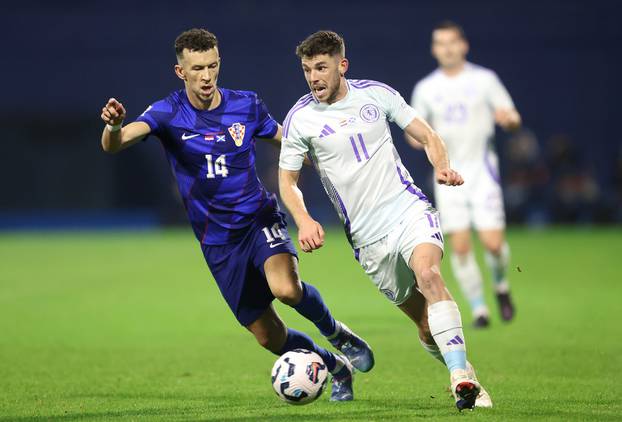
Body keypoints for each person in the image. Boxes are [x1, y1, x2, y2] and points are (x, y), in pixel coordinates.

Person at [99, 28, 374, 402]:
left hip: (258, 218)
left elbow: (289, 141)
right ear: (181, 72)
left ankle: (336, 331)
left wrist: (337, 166)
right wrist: (114, 126)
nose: (207, 76)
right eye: (197, 68)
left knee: (286, 289)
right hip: (217, 241)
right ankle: (335, 365)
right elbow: (116, 144)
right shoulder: (167, 113)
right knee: (269, 337)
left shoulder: (246, 105)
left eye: (213, 66)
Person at [278, 30, 491, 411]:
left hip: (407, 209)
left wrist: (442, 166)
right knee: (425, 326)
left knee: (429, 275)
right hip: (366, 238)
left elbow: (427, 135)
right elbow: (288, 181)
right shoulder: (301, 119)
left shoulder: (377, 95)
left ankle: (458, 377)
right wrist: (304, 218)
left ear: (342, 66)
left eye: (321, 68)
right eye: (308, 70)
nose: (314, 78)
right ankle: (468, 375)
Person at [408, 21, 520, 327]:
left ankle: (501, 286)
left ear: (463, 45)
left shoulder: (484, 80)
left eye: (451, 42)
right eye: (440, 43)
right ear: (434, 49)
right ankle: (479, 309)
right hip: (447, 173)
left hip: (482, 172)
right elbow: (413, 130)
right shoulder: (426, 88)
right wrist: (415, 139)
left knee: (494, 244)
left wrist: (508, 119)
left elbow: (511, 117)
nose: (446, 48)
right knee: (459, 245)